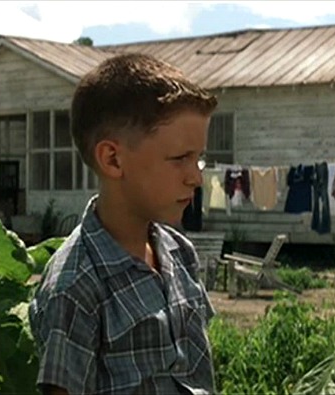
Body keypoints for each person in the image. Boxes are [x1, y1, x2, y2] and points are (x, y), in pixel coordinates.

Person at [29, 53, 218, 395]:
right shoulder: (76, 286)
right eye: (180, 159)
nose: (196, 178)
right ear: (113, 159)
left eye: (199, 158)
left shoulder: (180, 254)